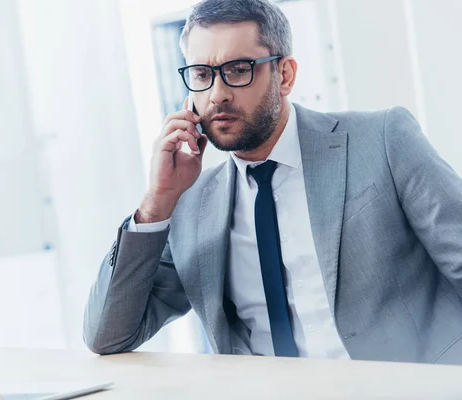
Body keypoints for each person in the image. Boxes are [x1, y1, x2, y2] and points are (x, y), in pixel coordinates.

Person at [83, 0, 462, 364]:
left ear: (284, 75)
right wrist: (157, 202)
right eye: (201, 74)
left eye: (238, 69)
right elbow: (108, 335)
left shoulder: (381, 139)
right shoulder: (188, 205)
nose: (217, 95)